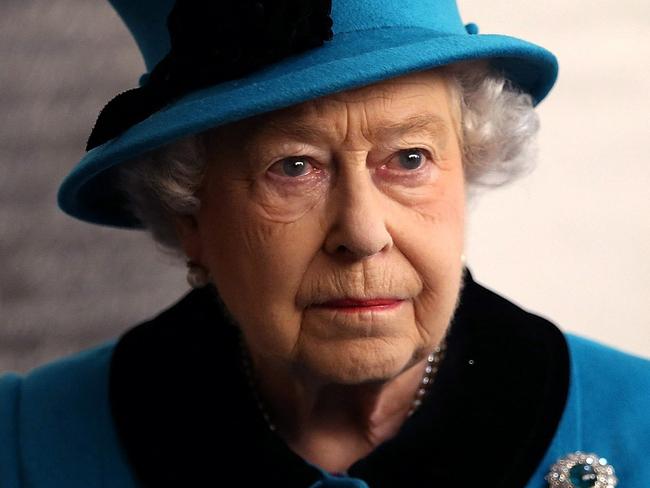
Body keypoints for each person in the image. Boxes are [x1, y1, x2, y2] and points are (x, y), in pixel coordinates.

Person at [0, 0, 648, 487]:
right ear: (190, 214)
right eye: (294, 167)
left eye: (410, 158)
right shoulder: (28, 445)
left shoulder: (635, 425)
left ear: (468, 170)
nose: (363, 235)